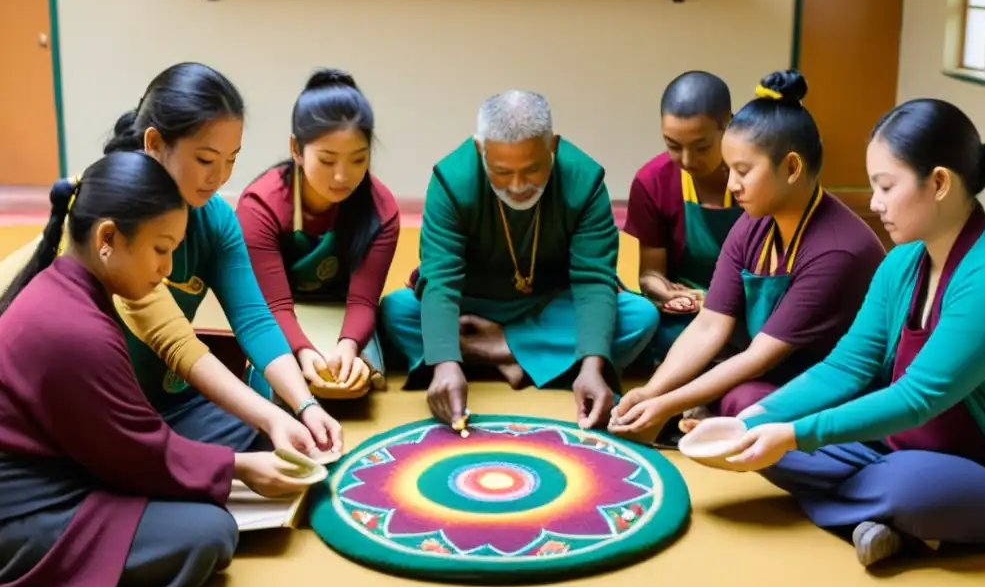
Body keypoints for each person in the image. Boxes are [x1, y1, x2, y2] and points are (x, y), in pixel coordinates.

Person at [707, 99, 985, 569]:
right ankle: (889, 524)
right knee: (745, 413)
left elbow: (918, 398)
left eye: (885, 186)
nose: (874, 202)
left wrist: (793, 435)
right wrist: (757, 419)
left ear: (938, 183)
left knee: (907, 485)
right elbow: (846, 366)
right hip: (897, 447)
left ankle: (896, 513)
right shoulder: (901, 264)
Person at [0, 152, 309, 587]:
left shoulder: (80, 288)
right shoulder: (74, 328)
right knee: (210, 534)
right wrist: (244, 471)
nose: (167, 268)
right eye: (160, 250)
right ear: (108, 239)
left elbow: (130, 436)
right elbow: (135, 455)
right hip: (28, 510)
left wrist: (282, 416)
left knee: (238, 428)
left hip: (85, 457)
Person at [610, 70, 886, 442]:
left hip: (831, 387)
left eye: (742, 171)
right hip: (770, 365)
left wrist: (667, 405)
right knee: (711, 380)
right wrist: (651, 392)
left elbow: (759, 357)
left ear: (791, 168)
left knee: (742, 400)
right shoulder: (755, 222)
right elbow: (710, 325)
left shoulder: (837, 250)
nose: (731, 185)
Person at [94, 63, 342, 456]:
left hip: (172, 405)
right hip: (104, 413)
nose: (220, 177)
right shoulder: (111, 215)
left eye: (232, 159)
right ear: (155, 143)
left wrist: (304, 406)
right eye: (206, 160)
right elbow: (176, 341)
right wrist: (273, 416)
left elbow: (254, 318)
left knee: (280, 445)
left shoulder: (215, 218)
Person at [379, 89, 659, 429]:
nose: (517, 186)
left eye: (532, 170)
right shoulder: (452, 181)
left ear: (552, 146)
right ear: (480, 150)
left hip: (549, 307)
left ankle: (489, 350)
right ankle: (523, 357)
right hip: (471, 305)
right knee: (397, 310)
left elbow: (593, 282)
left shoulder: (584, 182)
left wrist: (591, 367)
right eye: (501, 172)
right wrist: (444, 363)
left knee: (639, 316)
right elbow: (440, 280)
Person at [235, 69, 399, 394]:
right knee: (273, 388)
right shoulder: (259, 207)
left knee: (359, 385)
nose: (342, 176)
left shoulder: (380, 210)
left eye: (358, 159)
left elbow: (364, 302)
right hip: (274, 313)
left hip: (341, 311)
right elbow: (275, 305)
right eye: (327, 160)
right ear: (296, 148)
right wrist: (302, 351)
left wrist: (349, 347)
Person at [624, 71, 743, 364]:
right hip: (688, 316)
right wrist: (660, 289)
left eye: (701, 147)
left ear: (728, 124)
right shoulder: (653, 181)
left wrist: (723, 304)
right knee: (650, 328)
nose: (687, 160)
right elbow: (650, 272)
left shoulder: (756, 175)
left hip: (749, 307)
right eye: (673, 145)